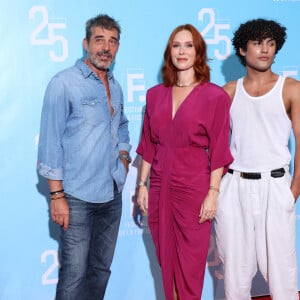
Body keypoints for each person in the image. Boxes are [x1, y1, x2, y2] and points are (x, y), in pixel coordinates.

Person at [37, 14, 131, 300]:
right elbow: (50, 143)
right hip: (76, 197)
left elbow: (123, 126)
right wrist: (57, 196)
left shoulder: (114, 85)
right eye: (99, 39)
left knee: (100, 271)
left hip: (111, 196)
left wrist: (124, 158)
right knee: (74, 276)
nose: (106, 47)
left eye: (112, 41)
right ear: (85, 43)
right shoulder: (63, 83)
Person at [136, 24, 233, 300]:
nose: (182, 51)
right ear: (170, 52)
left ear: (198, 52)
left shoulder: (215, 96)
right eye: (176, 45)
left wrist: (213, 194)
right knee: (167, 267)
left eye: (189, 45)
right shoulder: (155, 94)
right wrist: (141, 185)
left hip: (194, 190)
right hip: (159, 190)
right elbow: (148, 144)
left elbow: (219, 150)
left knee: (189, 269)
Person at [215, 18, 300, 300]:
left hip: (275, 186)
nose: (265, 50)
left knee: (282, 275)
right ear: (242, 49)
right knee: (235, 277)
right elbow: (213, 146)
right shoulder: (228, 91)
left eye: (271, 43)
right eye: (257, 43)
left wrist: (293, 191)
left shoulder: (291, 89)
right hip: (234, 187)